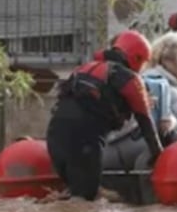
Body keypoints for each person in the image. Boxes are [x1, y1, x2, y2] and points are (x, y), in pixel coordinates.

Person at [43, 30, 164, 202]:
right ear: (137, 58)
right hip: (84, 142)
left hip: (55, 137)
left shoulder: (83, 69)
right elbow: (146, 124)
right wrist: (159, 156)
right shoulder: (129, 78)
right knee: (85, 202)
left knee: (77, 194)